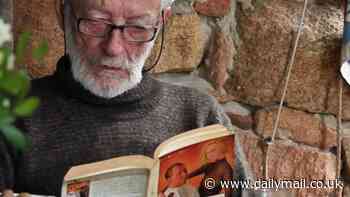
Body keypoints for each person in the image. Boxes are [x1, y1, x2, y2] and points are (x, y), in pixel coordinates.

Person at [0, 0, 238, 196]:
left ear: (162, 22)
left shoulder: (200, 115)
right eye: (96, 22)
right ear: (63, 12)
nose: (113, 48)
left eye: (138, 27)